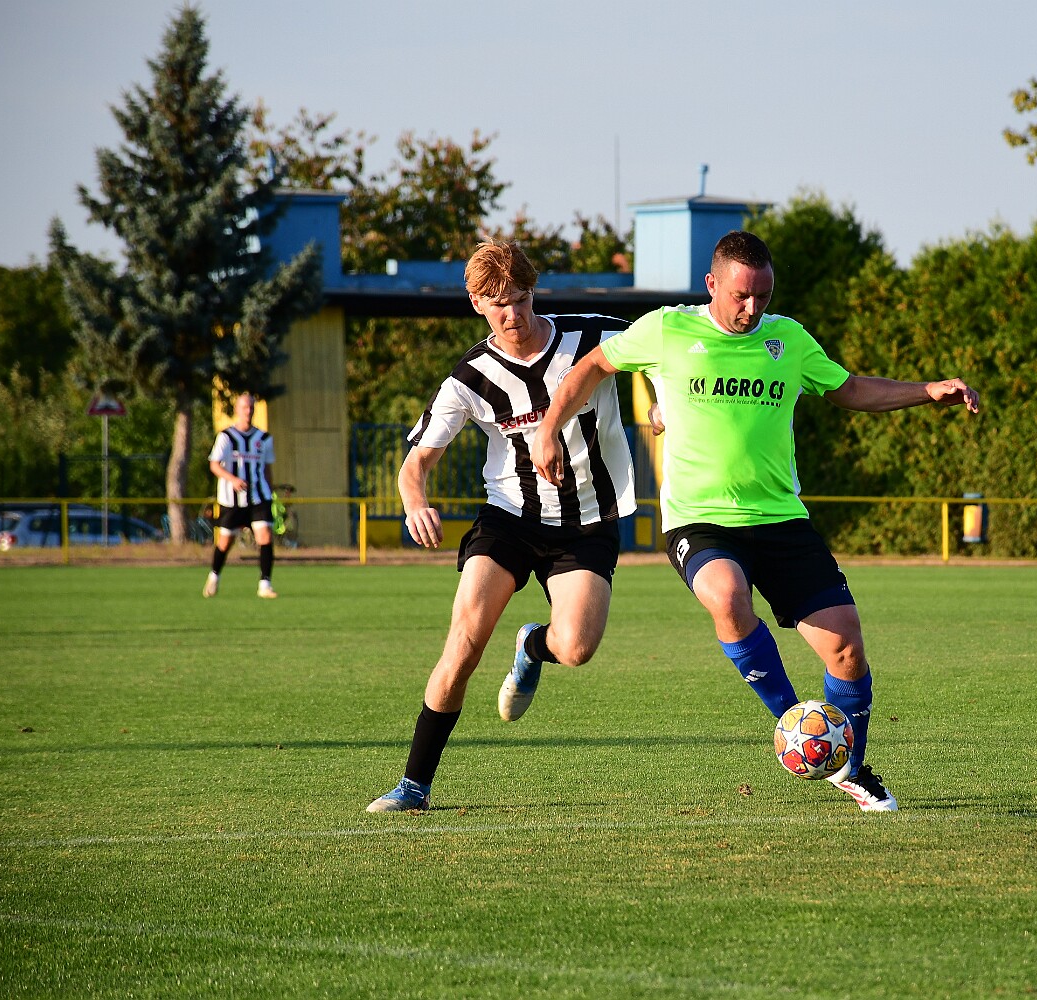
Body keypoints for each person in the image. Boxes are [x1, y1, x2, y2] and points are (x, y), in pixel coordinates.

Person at [532, 230, 980, 812]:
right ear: (712, 284)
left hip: (781, 519)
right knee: (726, 594)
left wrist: (927, 391)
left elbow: (849, 389)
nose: (752, 308)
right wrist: (548, 428)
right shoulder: (668, 329)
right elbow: (594, 365)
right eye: (741, 295)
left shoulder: (787, 339)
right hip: (699, 519)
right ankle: (797, 726)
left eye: (763, 297)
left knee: (846, 648)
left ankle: (850, 768)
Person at [367, 239, 637, 813]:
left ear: (533, 292)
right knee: (464, 644)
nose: (512, 314)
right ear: (477, 304)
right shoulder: (470, 376)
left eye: (520, 299)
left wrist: (664, 406)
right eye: (498, 304)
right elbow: (415, 463)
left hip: (588, 522)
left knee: (577, 648)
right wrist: (415, 503)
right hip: (509, 519)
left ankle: (532, 646)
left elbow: (671, 345)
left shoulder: (591, 336)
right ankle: (413, 786)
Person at [202, 392, 278, 599]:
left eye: (251, 407)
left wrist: (270, 491)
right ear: (237, 410)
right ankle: (214, 576)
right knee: (225, 541)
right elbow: (214, 465)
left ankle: (265, 584)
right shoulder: (226, 437)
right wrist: (233, 479)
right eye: (245, 407)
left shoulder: (264, 439)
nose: (248, 411)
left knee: (265, 536)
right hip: (232, 499)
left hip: (259, 497)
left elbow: (267, 468)